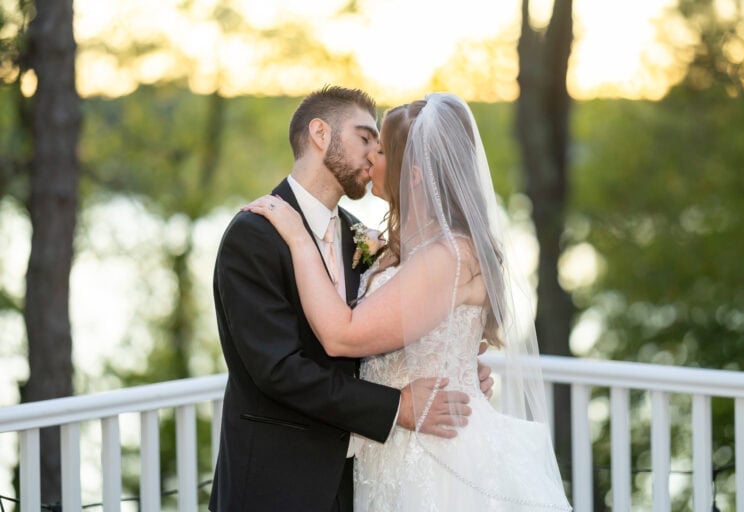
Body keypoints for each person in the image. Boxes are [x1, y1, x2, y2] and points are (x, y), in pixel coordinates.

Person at [248, 93, 572, 511]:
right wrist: (459, 367)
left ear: (413, 173)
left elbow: (341, 335)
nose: (369, 157)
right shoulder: (400, 247)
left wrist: (297, 236)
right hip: (393, 452)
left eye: (380, 149)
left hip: (437, 460)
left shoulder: (450, 255)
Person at [209, 86, 493, 512]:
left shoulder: (363, 238)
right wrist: (396, 406)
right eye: (365, 138)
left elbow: (394, 324)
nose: (375, 153)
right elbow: (278, 369)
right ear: (320, 134)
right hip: (277, 484)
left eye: (379, 144)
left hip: (360, 481)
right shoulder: (256, 234)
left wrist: (456, 363)